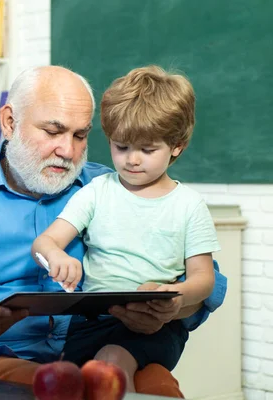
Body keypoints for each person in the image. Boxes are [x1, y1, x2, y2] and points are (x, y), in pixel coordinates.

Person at [0, 65, 227, 398]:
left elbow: (209, 283)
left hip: (104, 346)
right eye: (53, 131)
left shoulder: (113, 187)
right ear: (10, 122)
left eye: (80, 135)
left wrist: (167, 309)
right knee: (68, 390)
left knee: (158, 390)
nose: (68, 151)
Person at [32, 65, 220, 392]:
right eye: (120, 146)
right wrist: (55, 256)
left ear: (177, 145)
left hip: (154, 325)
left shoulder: (189, 205)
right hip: (91, 320)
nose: (132, 160)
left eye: (147, 150)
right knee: (68, 379)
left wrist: (175, 300)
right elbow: (44, 242)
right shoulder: (96, 192)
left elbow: (204, 279)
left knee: (111, 363)